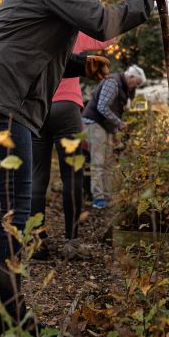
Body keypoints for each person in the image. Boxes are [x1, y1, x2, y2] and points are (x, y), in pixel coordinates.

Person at [0, 0, 169, 337]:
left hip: (7, 101)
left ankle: (16, 326)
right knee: (12, 224)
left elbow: (34, 46)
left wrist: (78, 65)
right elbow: (103, 23)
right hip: (4, 103)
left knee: (13, 221)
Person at [30, 32, 115, 262]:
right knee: (72, 176)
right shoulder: (75, 31)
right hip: (66, 110)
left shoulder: (36, 30)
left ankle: (37, 242)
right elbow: (109, 35)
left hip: (38, 109)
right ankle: (72, 242)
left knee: (37, 177)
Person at [82, 65, 147, 209]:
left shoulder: (124, 87)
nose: (134, 87)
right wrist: (119, 123)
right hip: (94, 123)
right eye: (135, 83)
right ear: (130, 77)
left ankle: (107, 195)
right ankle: (98, 199)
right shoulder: (113, 82)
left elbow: (115, 111)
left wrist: (116, 130)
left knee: (109, 163)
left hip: (106, 127)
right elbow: (102, 106)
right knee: (98, 162)